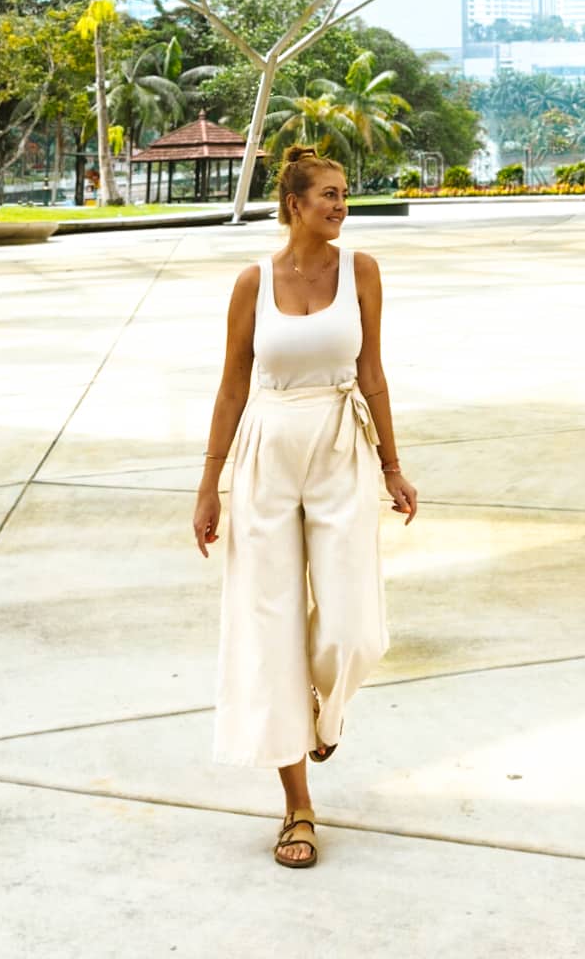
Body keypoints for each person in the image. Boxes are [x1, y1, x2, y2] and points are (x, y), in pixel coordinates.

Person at [192, 145, 418, 870]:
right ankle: (297, 806)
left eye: (344, 194)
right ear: (293, 202)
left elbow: (373, 371)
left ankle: (324, 714)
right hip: (266, 448)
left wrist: (391, 463)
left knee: (352, 626)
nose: (340, 205)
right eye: (327, 194)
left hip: (338, 447)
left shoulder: (362, 271)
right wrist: (209, 484)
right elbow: (231, 386)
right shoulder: (251, 283)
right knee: (270, 621)